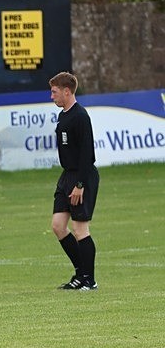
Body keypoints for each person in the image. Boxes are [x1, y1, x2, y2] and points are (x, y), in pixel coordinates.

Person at [49, 71, 99, 291]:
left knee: (81, 230)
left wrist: (80, 185)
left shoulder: (80, 116)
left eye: (54, 92)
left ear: (66, 91)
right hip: (66, 176)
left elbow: (87, 154)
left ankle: (90, 280)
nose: (52, 96)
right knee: (58, 226)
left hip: (82, 176)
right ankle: (80, 274)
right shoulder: (63, 115)